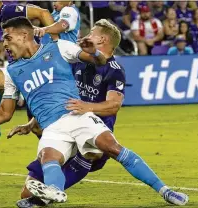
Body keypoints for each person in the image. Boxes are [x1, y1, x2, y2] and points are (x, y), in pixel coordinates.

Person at [0, 16, 189, 206]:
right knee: (48, 157)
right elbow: (4, 112)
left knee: (112, 147)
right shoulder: (11, 73)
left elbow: (99, 62)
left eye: (8, 38)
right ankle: (54, 192)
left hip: (77, 116)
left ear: (24, 35)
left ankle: (165, 191)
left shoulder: (59, 48)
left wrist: (95, 53)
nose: (4, 44)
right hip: (51, 128)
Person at [0, 1, 96, 163]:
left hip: (50, 66)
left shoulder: (9, 10)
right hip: (38, 65)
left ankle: (66, 159)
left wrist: (54, 45)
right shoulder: (8, 18)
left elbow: (42, 13)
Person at [13, 18, 126, 207]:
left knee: (92, 154)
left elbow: (113, 105)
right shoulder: (77, 61)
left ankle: (49, 195)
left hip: (93, 130)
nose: (86, 35)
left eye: (92, 34)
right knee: (25, 192)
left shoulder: (114, 70)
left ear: (103, 40)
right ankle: (47, 192)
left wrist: (86, 107)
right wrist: (32, 123)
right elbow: (58, 97)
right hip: (64, 124)